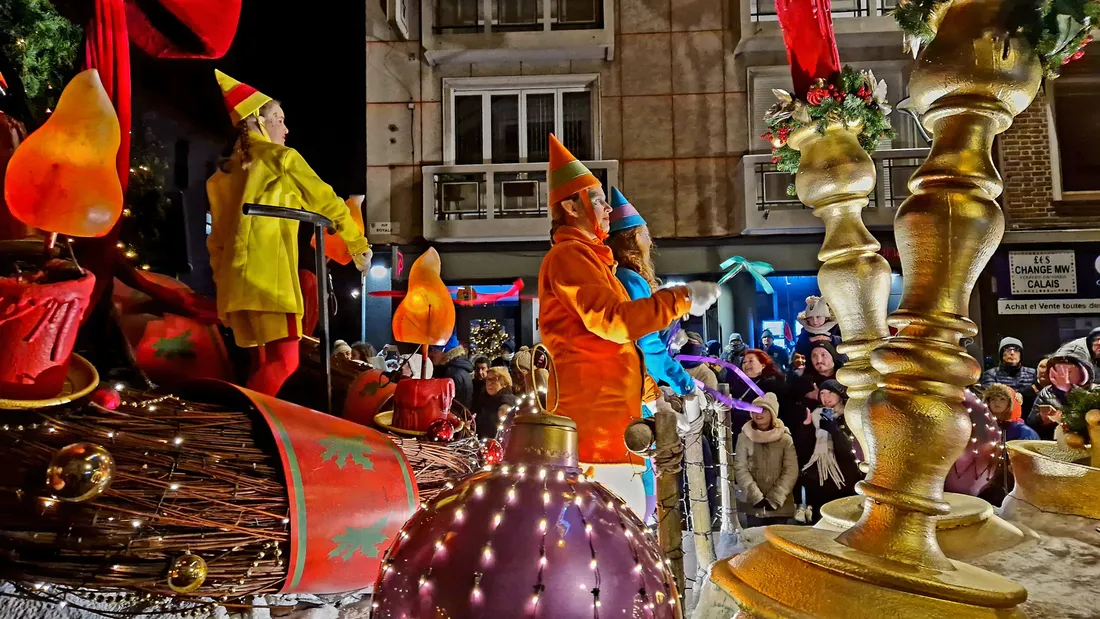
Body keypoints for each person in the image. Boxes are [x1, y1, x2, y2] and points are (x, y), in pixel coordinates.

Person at [537, 135, 719, 515]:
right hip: (597, 436)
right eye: (598, 200)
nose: (606, 210)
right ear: (571, 206)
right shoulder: (571, 256)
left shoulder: (594, 262)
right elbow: (616, 323)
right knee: (615, 541)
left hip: (611, 429)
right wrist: (681, 299)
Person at [206, 71, 371, 396]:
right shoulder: (282, 159)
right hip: (270, 282)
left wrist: (220, 282)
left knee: (258, 364)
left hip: (236, 286)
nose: (285, 128)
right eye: (279, 119)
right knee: (284, 362)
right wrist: (357, 243)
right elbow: (326, 201)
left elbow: (216, 241)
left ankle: (244, 429)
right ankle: (245, 429)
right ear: (256, 119)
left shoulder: (222, 176)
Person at [605, 187, 696, 523]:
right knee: (641, 482)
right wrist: (684, 384)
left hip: (613, 392)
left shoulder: (611, 276)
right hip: (630, 395)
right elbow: (649, 346)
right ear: (638, 238)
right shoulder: (631, 280)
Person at [800, 379, 862, 522]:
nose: (826, 397)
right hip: (820, 481)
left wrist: (835, 430)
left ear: (839, 395)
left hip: (844, 481)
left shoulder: (849, 416)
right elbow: (804, 450)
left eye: (830, 392)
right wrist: (806, 426)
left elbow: (850, 451)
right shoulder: (816, 415)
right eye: (822, 393)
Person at [733, 392, 798, 527]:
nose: (759, 413)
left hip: (781, 506)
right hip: (754, 506)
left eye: (764, 410)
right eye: (755, 409)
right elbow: (740, 468)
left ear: (772, 413)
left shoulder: (785, 438)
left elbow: (791, 470)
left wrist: (776, 497)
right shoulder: (744, 437)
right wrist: (755, 496)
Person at [1028, 348, 1093, 439]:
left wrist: (1068, 391)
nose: (1062, 375)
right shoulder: (1046, 392)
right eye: (1057, 370)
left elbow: (1089, 422)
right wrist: (1041, 419)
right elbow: (1031, 423)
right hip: (1053, 444)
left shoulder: (1092, 391)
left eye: (1068, 371)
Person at [474, 367, 517, 441]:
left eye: (494, 380)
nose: (489, 383)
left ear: (504, 384)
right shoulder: (485, 399)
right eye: (488, 379)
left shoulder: (506, 401)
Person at [432, 337, 475, 411]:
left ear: (444, 352)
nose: (431, 354)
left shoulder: (452, 374)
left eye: (434, 350)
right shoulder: (457, 369)